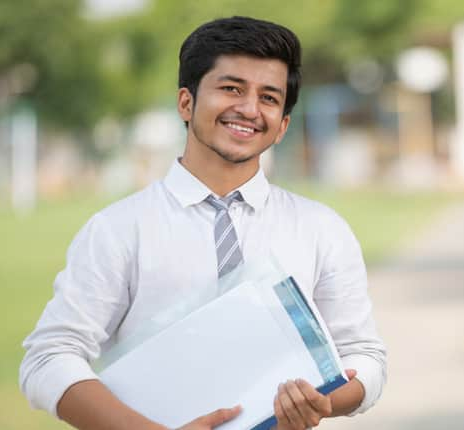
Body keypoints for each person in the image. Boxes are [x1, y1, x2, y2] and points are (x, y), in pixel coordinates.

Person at [19, 16, 386, 430]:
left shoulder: (322, 229)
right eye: (231, 88)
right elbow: (50, 355)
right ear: (186, 102)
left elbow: (364, 358)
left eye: (269, 97)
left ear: (283, 125)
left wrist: (322, 401)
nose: (249, 109)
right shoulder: (119, 229)